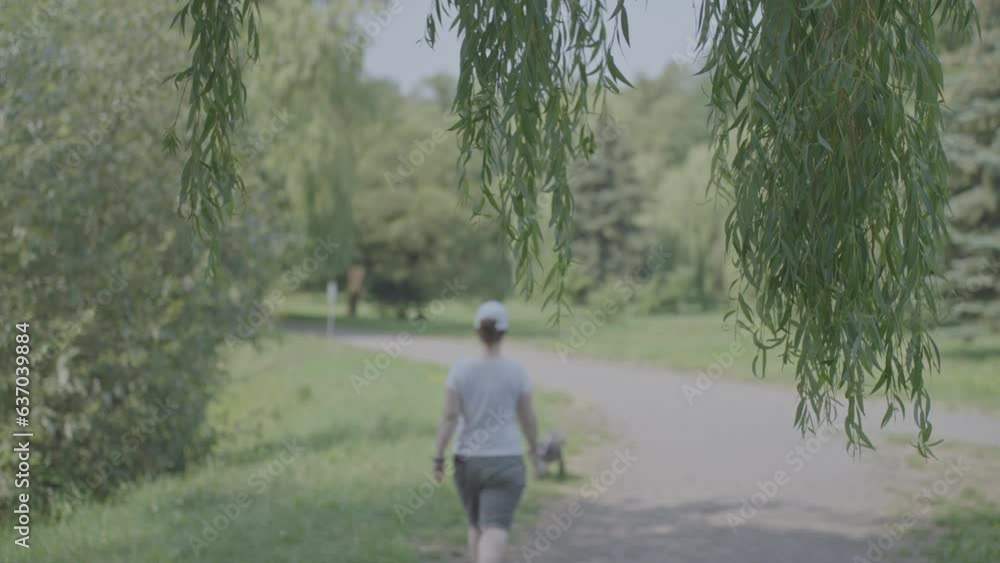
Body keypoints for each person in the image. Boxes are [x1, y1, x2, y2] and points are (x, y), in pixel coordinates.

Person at [433, 300, 545, 563]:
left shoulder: (460, 370)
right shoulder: (516, 372)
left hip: (467, 461)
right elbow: (527, 418)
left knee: (476, 526)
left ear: (477, 331)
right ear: (504, 332)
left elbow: (449, 416)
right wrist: (535, 454)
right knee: (495, 528)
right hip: (506, 461)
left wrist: (438, 456)